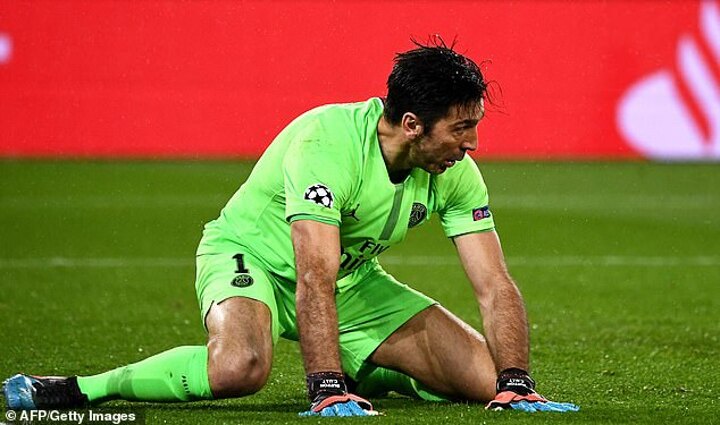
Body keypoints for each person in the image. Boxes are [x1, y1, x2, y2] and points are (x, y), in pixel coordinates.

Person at [3, 39, 578, 416]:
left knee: (485, 379)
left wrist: (517, 382)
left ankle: (374, 372)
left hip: (351, 282)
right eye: (460, 128)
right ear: (411, 124)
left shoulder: (455, 172)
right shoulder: (326, 144)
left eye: (474, 125)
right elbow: (312, 274)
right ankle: (81, 388)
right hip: (253, 258)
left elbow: (494, 284)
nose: (472, 143)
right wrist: (325, 388)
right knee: (240, 367)